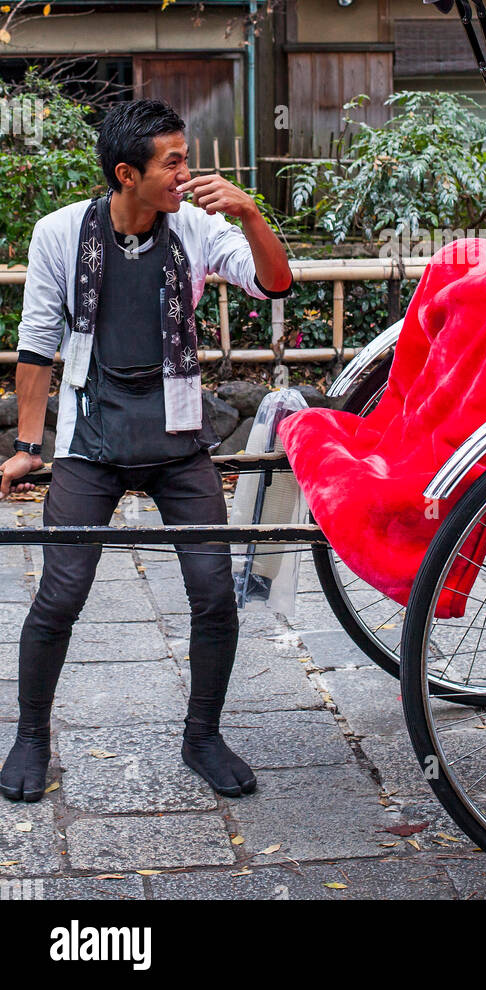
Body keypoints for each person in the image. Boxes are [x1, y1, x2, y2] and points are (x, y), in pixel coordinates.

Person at [0, 99, 293, 804]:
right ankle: (32, 738)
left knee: (214, 594)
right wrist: (28, 446)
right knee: (60, 595)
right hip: (91, 440)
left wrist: (251, 215)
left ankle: (203, 737)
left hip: (175, 437)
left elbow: (276, 282)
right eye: (174, 162)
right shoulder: (61, 233)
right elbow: (38, 342)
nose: (186, 173)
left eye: (185, 158)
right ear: (126, 174)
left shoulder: (195, 225)